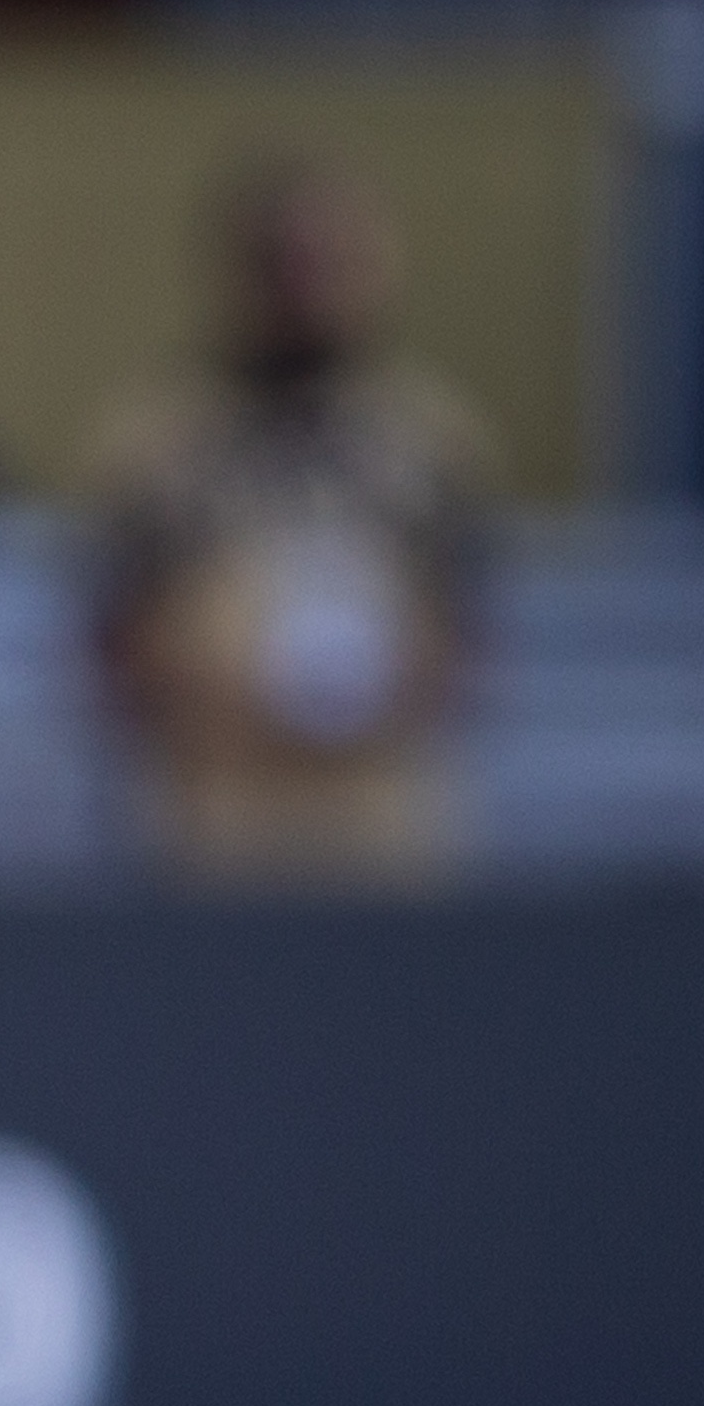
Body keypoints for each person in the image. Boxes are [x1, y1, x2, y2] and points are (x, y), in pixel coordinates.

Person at [83, 158, 502, 889]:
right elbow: (108, 640)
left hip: (381, 821)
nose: (307, 292)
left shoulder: (430, 442)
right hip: (213, 819)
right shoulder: (163, 444)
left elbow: (469, 634)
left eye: (331, 263)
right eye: (285, 266)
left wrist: (377, 686)